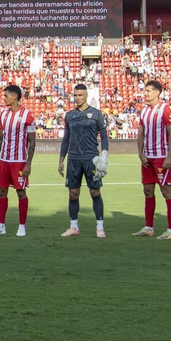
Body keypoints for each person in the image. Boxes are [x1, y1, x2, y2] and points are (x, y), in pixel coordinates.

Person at [57, 83, 109, 238]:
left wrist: (104, 155)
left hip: (91, 159)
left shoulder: (97, 114)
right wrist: (61, 160)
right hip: (73, 159)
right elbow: (66, 139)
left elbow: (104, 136)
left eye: (80, 95)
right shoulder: (69, 115)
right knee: (73, 193)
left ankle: (100, 227)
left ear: (86, 95)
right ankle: (74, 227)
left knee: (95, 192)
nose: (77, 98)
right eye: (75, 95)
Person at [133, 79, 171, 239]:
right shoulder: (144, 111)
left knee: (166, 191)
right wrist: (141, 153)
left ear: (157, 92)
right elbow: (140, 133)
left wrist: (169, 156)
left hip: (161, 157)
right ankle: (148, 227)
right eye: (144, 91)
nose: (145, 93)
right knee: (147, 191)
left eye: (148, 91)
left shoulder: (165, 109)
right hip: (148, 158)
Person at [0, 84, 35, 237]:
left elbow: (32, 141)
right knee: (2, 191)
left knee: (21, 192)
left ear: (15, 96)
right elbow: (0, 137)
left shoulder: (27, 115)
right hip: (4, 160)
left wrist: (28, 163)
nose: (4, 98)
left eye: (6, 96)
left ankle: (22, 226)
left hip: (19, 161)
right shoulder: (3, 115)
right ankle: (1, 226)